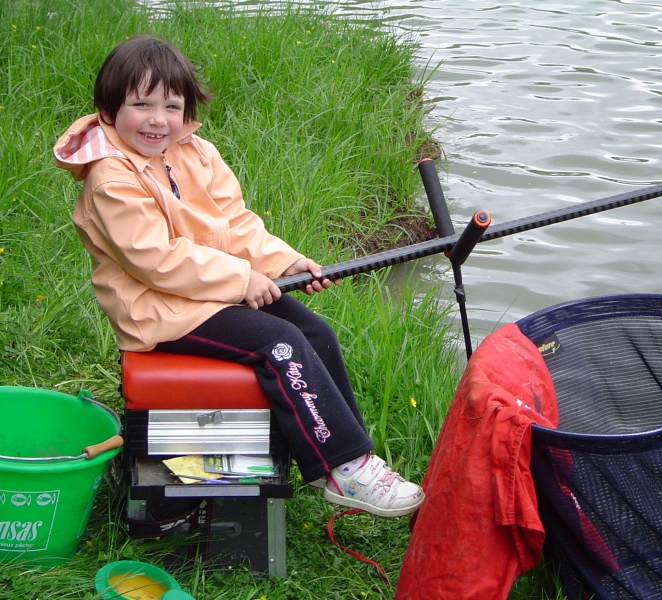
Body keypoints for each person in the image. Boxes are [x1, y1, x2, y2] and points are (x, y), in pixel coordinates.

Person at [53, 35, 423, 518]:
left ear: (187, 108)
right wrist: (239, 280)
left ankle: (352, 459)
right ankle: (343, 466)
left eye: (171, 105)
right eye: (140, 104)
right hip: (159, 311)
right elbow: (155, 259)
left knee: (315, 330)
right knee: (280, 342)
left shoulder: (197, 152)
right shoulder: (110, 177)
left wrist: (280, 262)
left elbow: (236, 224)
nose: (157, 119)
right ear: (109, 107)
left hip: (211, 292)